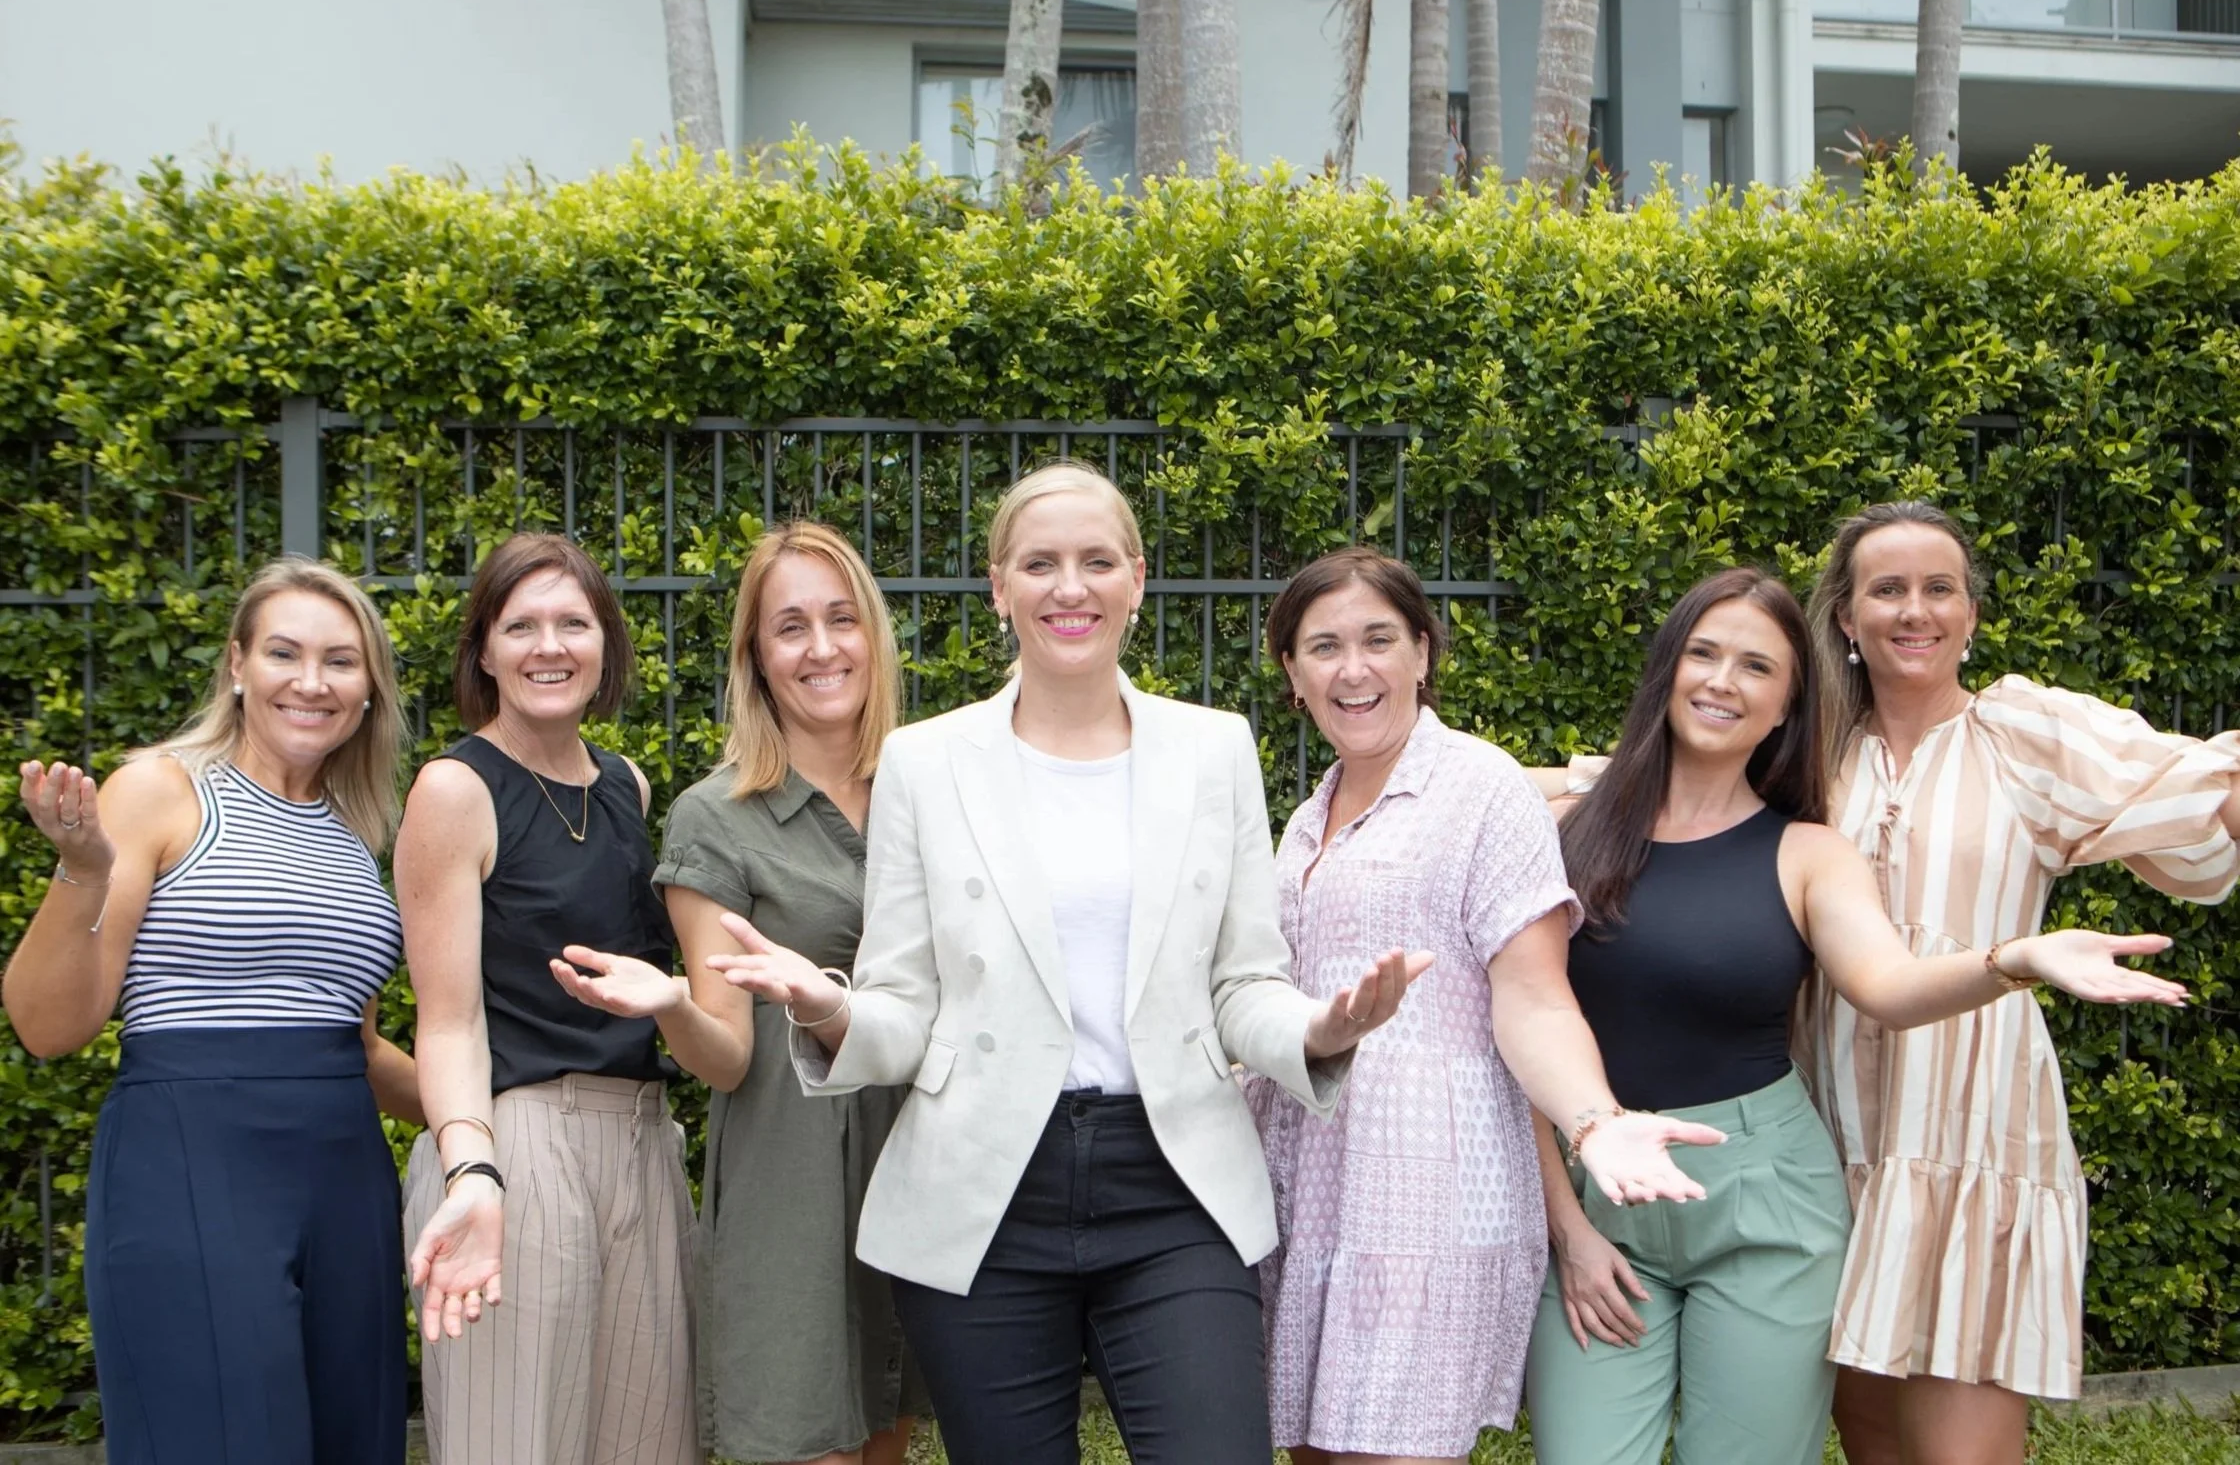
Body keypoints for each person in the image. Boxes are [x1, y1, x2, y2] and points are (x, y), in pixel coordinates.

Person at [715, 462, 1450, 1465]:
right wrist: (825, 1008)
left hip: (1173, 1182)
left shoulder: (1211, 751)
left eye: (1096, 561)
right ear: (998, 587)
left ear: (1136, 581)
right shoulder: (928, 765)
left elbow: (1242, 984)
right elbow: (900, 1007)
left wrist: (1322, 1029)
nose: (1070, 587)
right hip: (983, 1192)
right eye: (1040, 564)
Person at [1522, 566, 2192, 1465]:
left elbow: (1888, 984)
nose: (1725, 681)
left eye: (1757, 668)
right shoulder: (1564, 829)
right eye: (1704, 654)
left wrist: (2016, 960)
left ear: (1786, 708)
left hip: (1769, 1202)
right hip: (1601, 1189)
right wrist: (1566, 1228)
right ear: (1666, 672)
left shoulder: (1810, 853)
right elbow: (1522, 1022)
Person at [1252, 547, 1738, 1465]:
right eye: (1323, 647)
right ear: (1292, 673)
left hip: (1427, 1195)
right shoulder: (1310, 813)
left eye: (1378, 640)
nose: (1353, 669)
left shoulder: (1483, 792)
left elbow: (1535, 1001)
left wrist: (1595, 1123)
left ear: (1424, 653)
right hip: (1313, 1189)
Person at [1793, 501, 2240, 1465]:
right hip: (1828, 1131)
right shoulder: (1804, 746)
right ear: (1845, 617)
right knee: (1872, 1442)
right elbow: (1635, 793)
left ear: (1970, 614)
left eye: (1939, 588)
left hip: (1975, 1129)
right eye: (1889, 589)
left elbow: (2202, 791)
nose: (1916, 611)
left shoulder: (2023, 737)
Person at [4, 557, 421, 1465]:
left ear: (368, 690)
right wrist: (82, 870)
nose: (312, 681)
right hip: (189, 1156)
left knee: (355, 1439)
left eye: (341, 662)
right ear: (237, 665)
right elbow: (49, 1027)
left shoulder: (360, 836)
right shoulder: (161, 789)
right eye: (284, 653)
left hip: (344, 1173)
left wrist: (494, 1112)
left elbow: (357, 1046)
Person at [551, 522, 927, 1465]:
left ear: (872, 637)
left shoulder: (935, 787)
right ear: (757, 657)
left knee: (892, 1427)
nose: (822, 647)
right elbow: (726, 1055)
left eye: (842, 619)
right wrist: (678, 1003)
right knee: (807, 1440)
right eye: (790, 627)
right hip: (792, 1174)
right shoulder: (717, 817)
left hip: (921, 1155)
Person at [399, 532, 697, 1465]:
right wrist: (472, 1172)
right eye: (520, 624)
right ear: (483, 650)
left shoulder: (626, 787)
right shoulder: (454, 789)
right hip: (518, 1146)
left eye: (574, 622)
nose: (550, 646)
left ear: (605, 643)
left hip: (642, 1143)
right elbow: (445, 1021)